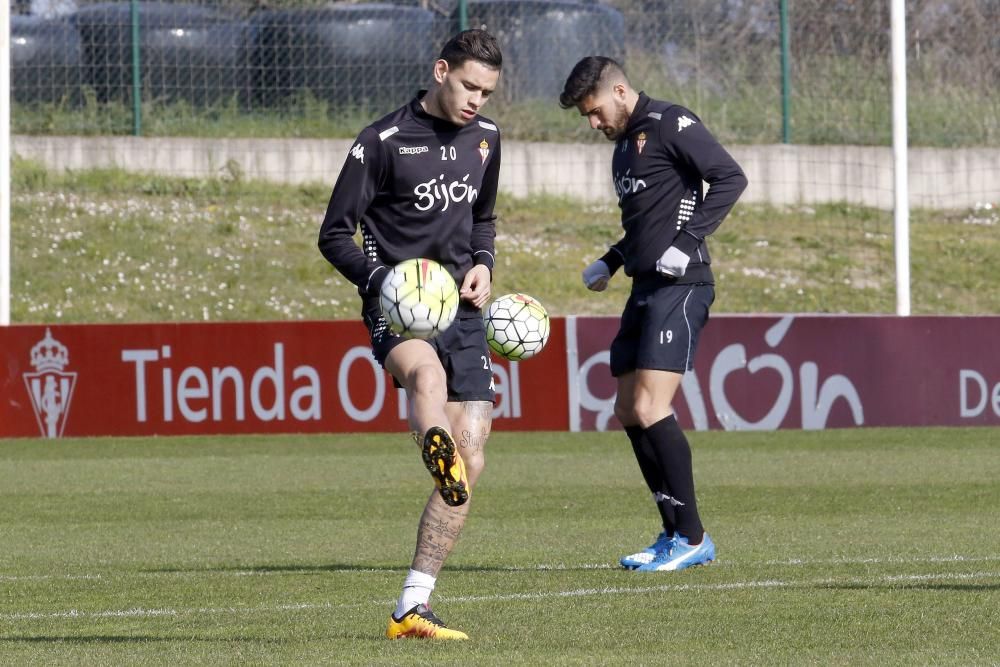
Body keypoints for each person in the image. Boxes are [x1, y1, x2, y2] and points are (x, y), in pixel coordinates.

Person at [318, 29, 503, 639]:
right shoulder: (382, 142)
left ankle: (411, 607)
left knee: (472, 458)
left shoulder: (487, 140)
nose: (477, 99)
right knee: (425, 375)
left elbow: (483, 216)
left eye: (487, 91)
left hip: (464, 313)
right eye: (469, 86)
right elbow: (334, 234)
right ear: (441, 70)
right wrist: (382, 282)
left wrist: (483, 263)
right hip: (397, 310)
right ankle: (435, 449)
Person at [559, 56, 747, 571]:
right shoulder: (622, 149)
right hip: (643, 287)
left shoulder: (672, 123)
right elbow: (647, 224)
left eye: (595, 112)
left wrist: (688, 243)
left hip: (681, 286)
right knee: (626, 408)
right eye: (586, 118)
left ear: (619, 90)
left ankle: (692, 538)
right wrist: (612, 259)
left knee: (649, 407)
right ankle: (671, 532)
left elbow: (730, 177)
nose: (593, 124)